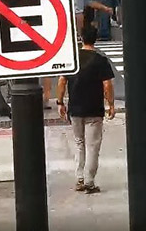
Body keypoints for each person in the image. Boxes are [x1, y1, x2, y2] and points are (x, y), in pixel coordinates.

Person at [57, 26, 115, 195]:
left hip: (75, 108)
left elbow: (61, 81)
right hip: (94, 109)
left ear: (81, 38)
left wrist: (60, 102)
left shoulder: (72, 58)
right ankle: (89, 181)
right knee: (92, 146)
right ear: (95, 39)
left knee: (79, 143)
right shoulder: (100, 60)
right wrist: (110, 104)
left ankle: (79, 178)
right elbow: (107, 84)